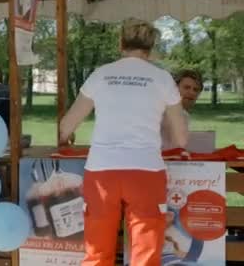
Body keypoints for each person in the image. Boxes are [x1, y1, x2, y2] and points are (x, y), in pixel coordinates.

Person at [58, 18, 188, 265]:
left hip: (102, 171)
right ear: (150, 48)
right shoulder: (162, 78)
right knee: (145, 252)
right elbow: (181, 138)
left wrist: (66, 137)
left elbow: (66, 126)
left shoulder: (101, 75)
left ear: (121, 43)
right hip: (146, 171)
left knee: (97, 250)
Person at [161, 69, 203, 149]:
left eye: (196, 90)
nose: (192, 92)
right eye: (187, 87)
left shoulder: (184, 114)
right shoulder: (162, 112)